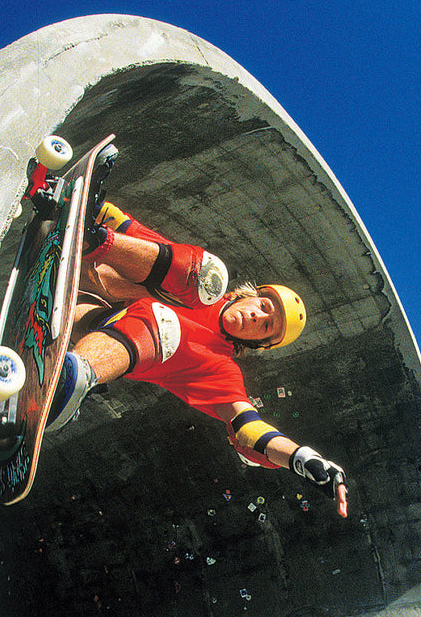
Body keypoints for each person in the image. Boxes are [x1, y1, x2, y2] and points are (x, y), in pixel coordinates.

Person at [47, 195, 349, 517]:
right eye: (263, 307)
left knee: (169, 326)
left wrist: (300, 458)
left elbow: (249, 428)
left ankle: (76, 375)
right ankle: (94, 236)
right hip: (91, 271)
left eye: (265, 328)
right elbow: (141, 236)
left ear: (260, 344)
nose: (256, 318)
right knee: (207, 278)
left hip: (85, 322)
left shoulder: (222, 369)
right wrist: (102, 211)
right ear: (251, 295)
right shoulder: (204, 286)